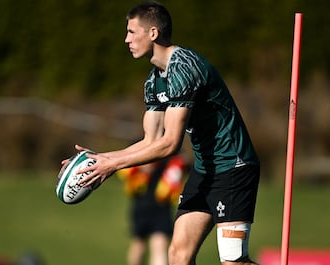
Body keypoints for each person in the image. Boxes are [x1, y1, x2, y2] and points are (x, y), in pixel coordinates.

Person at [72, 1, 261, 264]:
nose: (126, 39)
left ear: (153, 33)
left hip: (234, 167)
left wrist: (113, 165)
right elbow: (150, 141)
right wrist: (100, 159)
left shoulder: (184, 67)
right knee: (178, 256)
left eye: (131, 32)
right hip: (205, 171)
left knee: (232, 260)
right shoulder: (153, 81)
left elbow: (170, 144)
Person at [117, 154, 188, 265]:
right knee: (140, 245)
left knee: (155, 245)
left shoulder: (142, 146)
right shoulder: (169, 149)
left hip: (159, 205)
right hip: (145, 204)